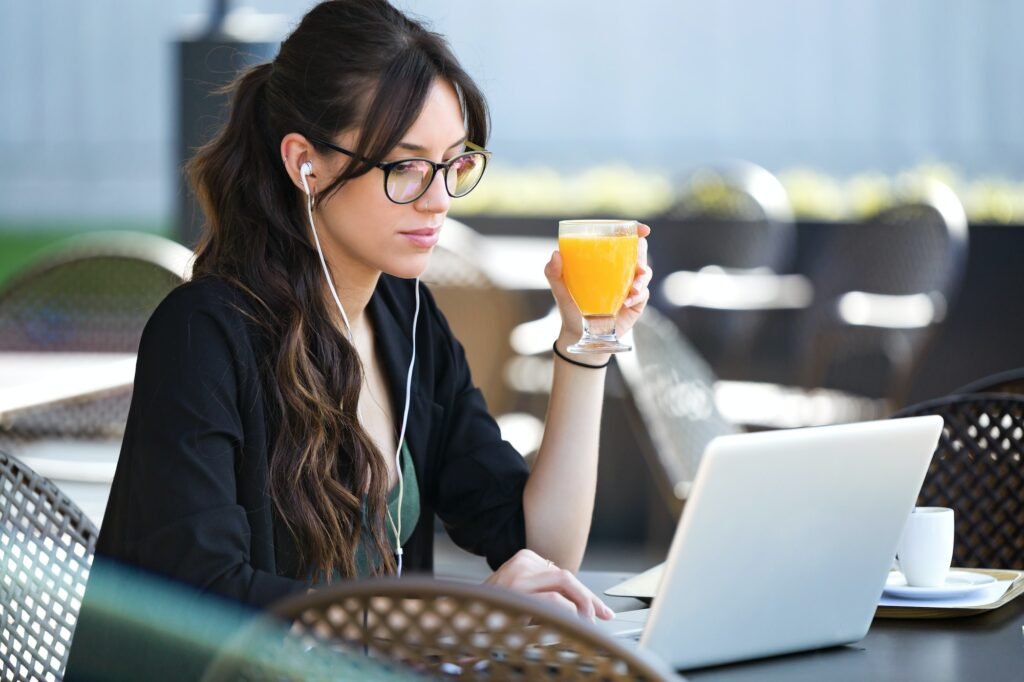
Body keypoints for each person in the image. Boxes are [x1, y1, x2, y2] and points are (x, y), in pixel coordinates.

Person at [66, 0, 651, 677]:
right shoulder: (204, 336)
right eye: (404, 168)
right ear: (304, 163)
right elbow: (207, 601)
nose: (438, 200)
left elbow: (540, 548)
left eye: (454, 164)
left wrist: (584, 346)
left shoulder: (406, 318)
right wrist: (446, 624)